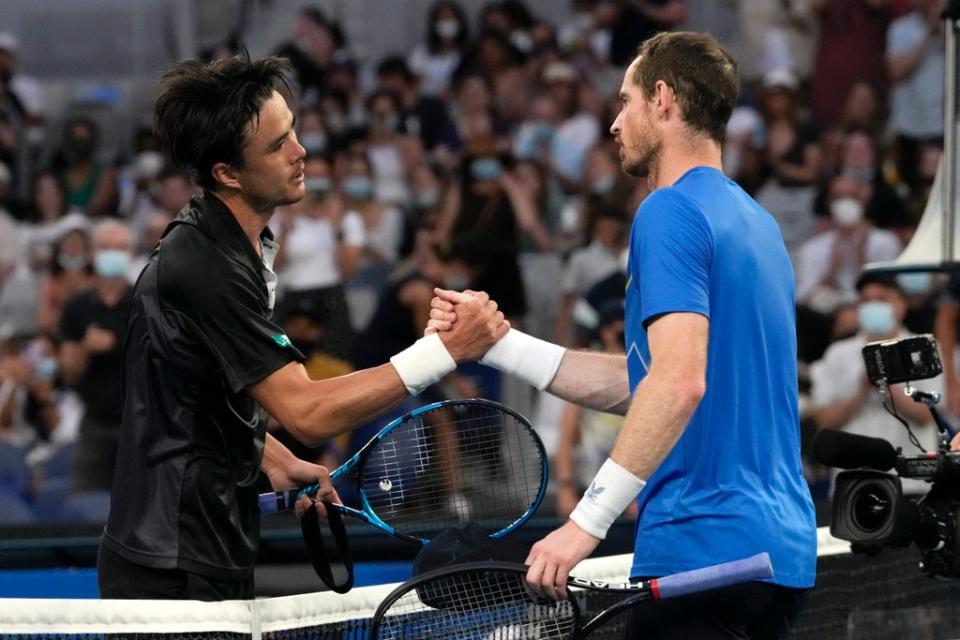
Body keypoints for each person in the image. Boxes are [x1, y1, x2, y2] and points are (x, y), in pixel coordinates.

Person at [428, 31, 815, 638]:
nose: (614, 122)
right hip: (776, 559)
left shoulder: (667, 210)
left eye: (626, 101)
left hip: (700, 557)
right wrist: (499, 344)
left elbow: (678, 382)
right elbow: (645, 379)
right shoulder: (757, 223)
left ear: (662, 99)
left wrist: (586, 522)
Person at [98, 54, 507, 602]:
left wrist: (276, 459)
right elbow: (308, 412)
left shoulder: (227, 246)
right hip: (173, 566)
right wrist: (443, 352)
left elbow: (191, 397)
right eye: (277, 146)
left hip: (198, 547)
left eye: (293, 132)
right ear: (227, 174)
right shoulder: (204, 267)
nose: (301, 152)